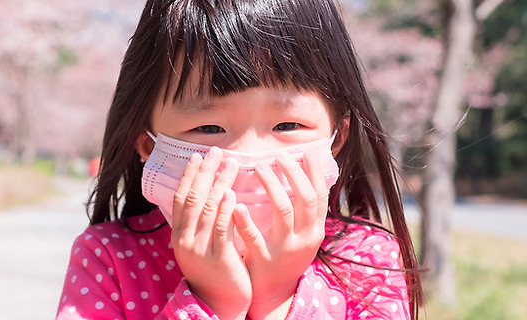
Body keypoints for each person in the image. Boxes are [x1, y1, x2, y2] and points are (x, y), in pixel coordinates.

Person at [57, 0, 423, 319]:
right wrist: (212, 303)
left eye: (287, 124)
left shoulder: (366, 260)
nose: (248, 157)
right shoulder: (108, 260)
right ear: (149, 146)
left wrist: (278, 298)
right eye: (209, 127)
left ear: (337, 137)